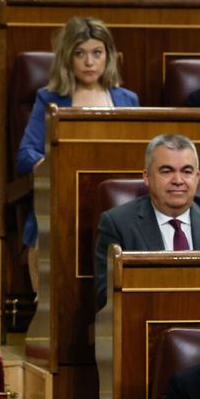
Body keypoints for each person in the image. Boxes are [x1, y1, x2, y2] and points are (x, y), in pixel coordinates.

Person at [17, 17, 138, 248]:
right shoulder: (49, 99)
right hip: (65, 196)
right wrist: (52, 166)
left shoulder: (127, 100)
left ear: (108, 56)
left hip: (115, 197)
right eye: (80, 53)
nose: (89, 62)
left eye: (97, 53)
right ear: (67, 58)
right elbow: (25, 155)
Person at [93, 134, 200, 308]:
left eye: (187, 171)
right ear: (147, 177)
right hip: (147, 323)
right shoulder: (117, 223)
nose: (178, 180)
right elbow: (106, 296)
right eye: (167, 171)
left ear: (197, 177)